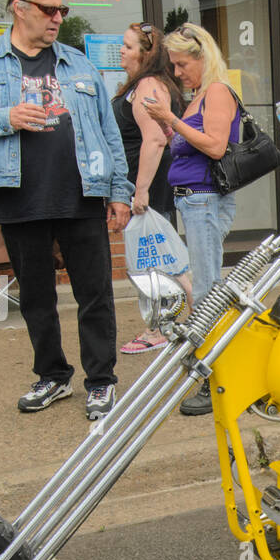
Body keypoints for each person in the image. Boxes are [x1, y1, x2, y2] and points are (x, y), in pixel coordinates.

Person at [0, 0, 132, 421]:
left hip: (82, 190)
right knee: (36, 297)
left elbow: (108, 131)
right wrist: (4, 117)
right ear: (18, 7)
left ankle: (101, 381)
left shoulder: (78, 64)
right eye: (49, 9)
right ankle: (53, 374)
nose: (58, 18)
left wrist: (119, 191)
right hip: (18, 192)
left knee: (95, 293)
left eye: (62, 10)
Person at [142, 22, 240, 416]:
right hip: (194, 201)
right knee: (204, 288)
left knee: (206, 292)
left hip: (204, 200)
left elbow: (216, 146)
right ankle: (214, 371)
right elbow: (188, 143)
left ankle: (214, 377)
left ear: (203, 57)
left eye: (182, 64)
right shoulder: (201, 95)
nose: (178, 72)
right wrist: (169, 123)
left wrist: (172, 117)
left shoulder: (216, 91)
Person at [116, 22, 185, 356]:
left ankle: (162, 326)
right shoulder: (147, 84)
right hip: (150, 181)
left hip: (150, 183)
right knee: (158, 253)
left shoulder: (147, 85)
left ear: (145, 54)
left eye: (128, 47)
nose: (122, 51)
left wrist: (140, 190)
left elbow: (156, 139)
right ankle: (167, 321)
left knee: (155, 255)